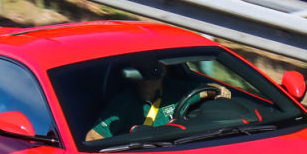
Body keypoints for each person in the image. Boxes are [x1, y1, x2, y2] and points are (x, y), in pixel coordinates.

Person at [85, 61, 230, 141]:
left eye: (159, 73)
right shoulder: (123, 103)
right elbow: (92, 138)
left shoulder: (174, 88)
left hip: (182, 146)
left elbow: (205, 89)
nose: (157, 80)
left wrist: (220, 90)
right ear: (138, 77)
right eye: (151, 75)